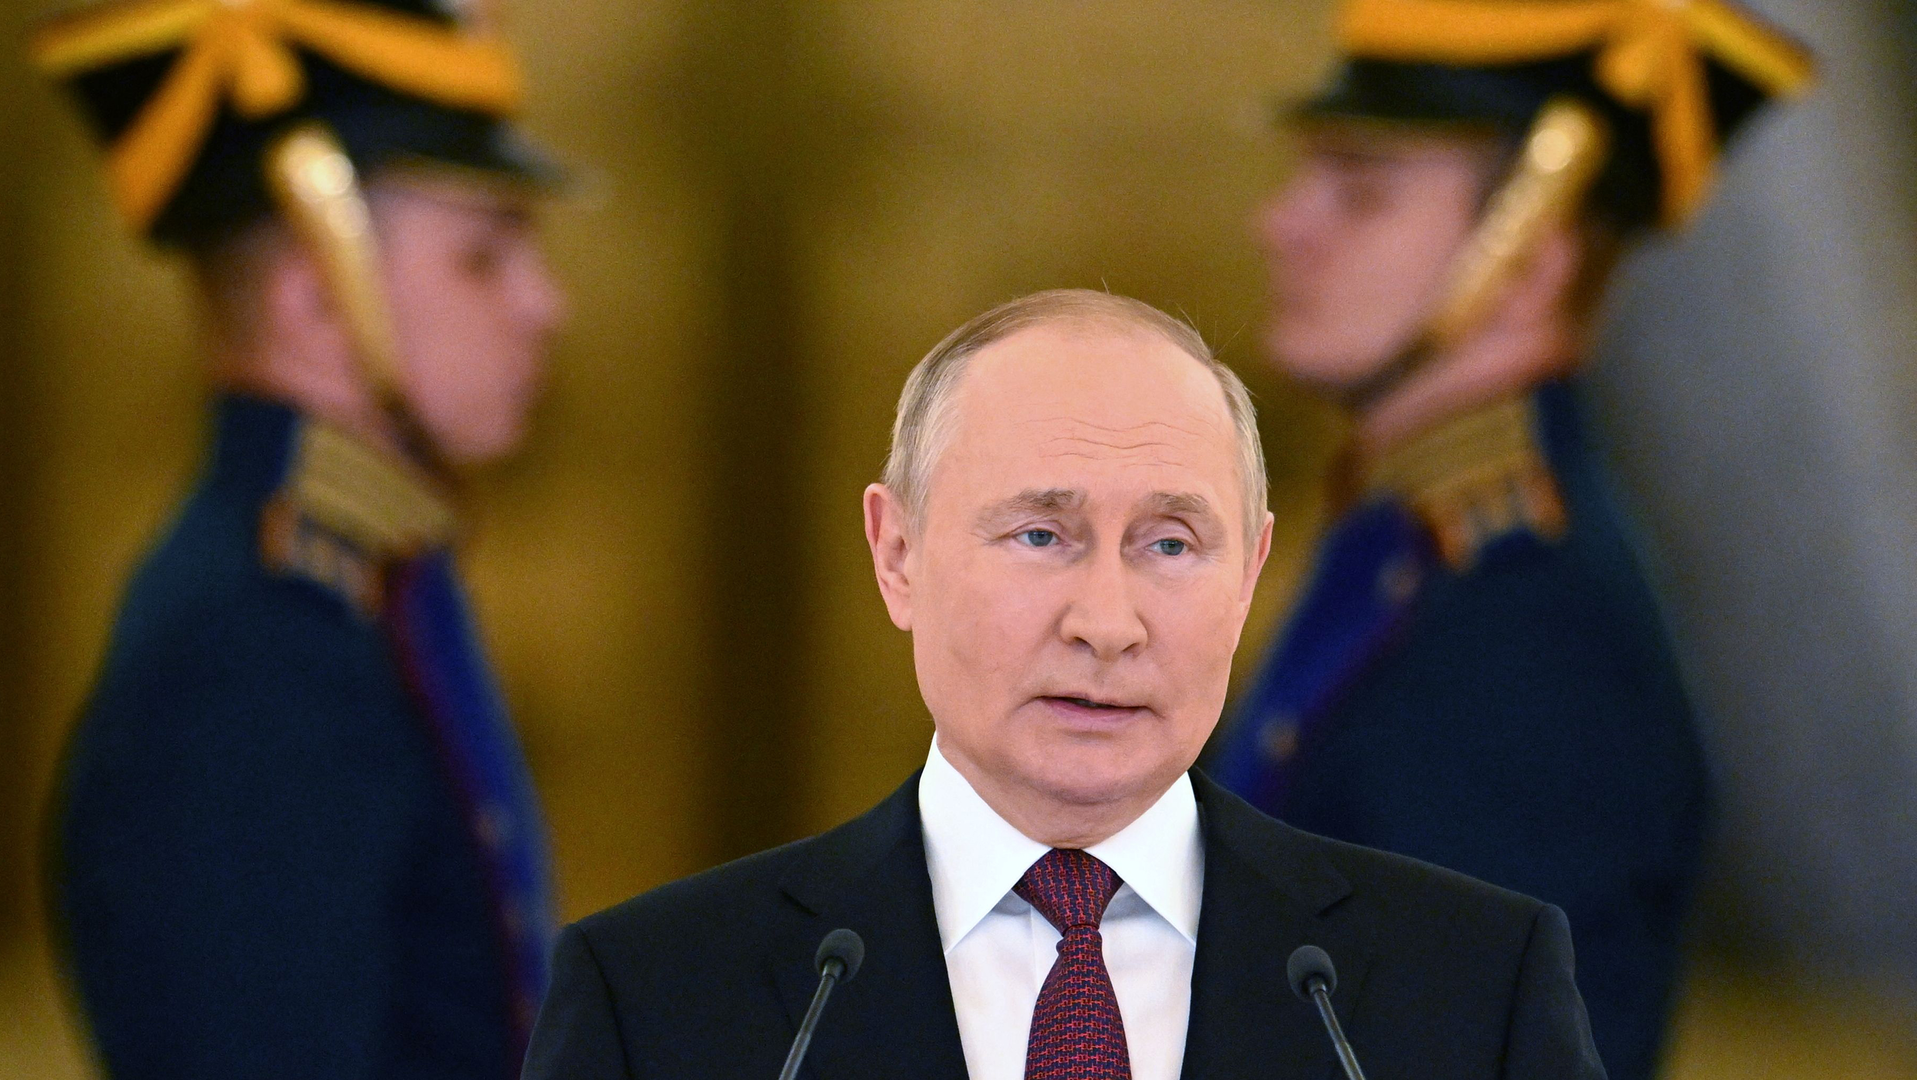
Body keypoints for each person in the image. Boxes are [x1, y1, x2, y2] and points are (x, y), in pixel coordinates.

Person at [523, 289, 1603, 1079]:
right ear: (896, 553)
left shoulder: (1473, 990)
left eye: (1172, 545)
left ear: (1251, 573)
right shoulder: (655, 1004)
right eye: (1042, 534)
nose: (1106, 623)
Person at [1206, 3, 1813, 1078]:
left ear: (1528, 264)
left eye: (1359, 190)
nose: (1280, 222)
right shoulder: (1412, 551)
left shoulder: (1529, 638)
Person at [31, 0, 567, 1076]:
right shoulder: (253, 654)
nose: (544, 304)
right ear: (318, 301)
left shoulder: (356, 589)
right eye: (483, 258)